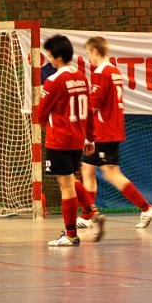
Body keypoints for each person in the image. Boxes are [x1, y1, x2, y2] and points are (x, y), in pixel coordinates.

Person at [77, 37, 152, 229]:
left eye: (89, 54)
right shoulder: (114, 71)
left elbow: (93, 105)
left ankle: (146, 207)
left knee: (111, 173)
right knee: (87, 168)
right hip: (110, 130)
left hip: (103, 132)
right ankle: (88, 215)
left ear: (95, 52)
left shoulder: (101, 72)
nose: (89, 58)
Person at [35, 34, 103, 247]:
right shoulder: (81, 77)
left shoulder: (54, 81)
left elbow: (40, 114)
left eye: (49, 55)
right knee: (71, 182)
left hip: (59, 139)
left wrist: (48, 123)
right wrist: (90, 137)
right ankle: (91, 210)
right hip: (77, 138)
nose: (48, 58)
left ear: (56, 57)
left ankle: (71, 234)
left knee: (66, 186)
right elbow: (90, 111)